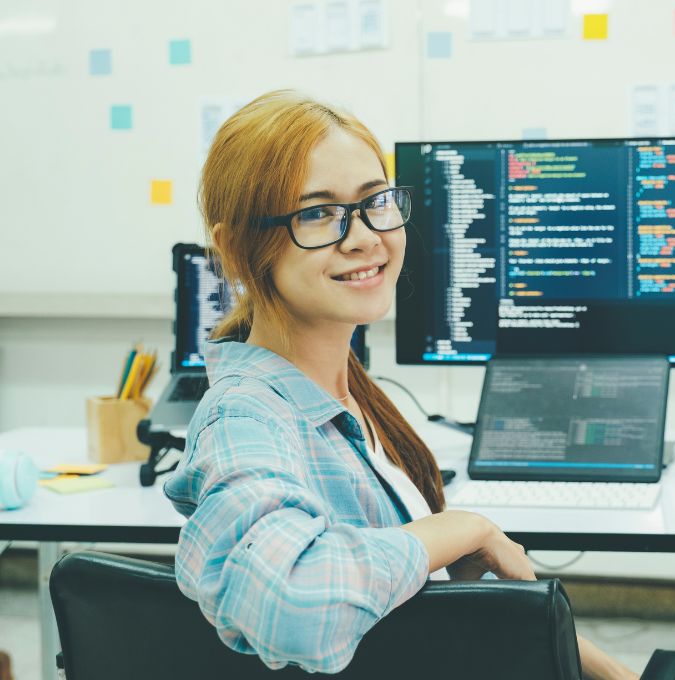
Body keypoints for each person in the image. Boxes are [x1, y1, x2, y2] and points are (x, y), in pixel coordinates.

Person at [163, 90, 638, 680]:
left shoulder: (350, 393)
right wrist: (457, 528)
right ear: (236, 249)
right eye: (317, 213)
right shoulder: (246, 417)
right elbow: (289, 603)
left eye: (375, 202)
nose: (364, 237)